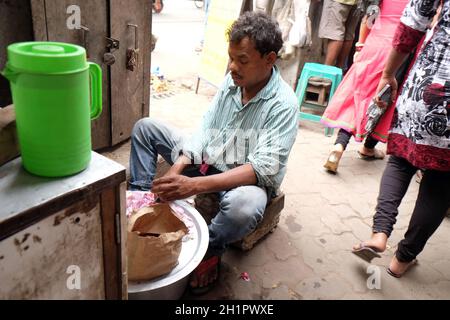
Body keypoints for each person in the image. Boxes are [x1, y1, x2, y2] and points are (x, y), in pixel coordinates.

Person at [129, 11, 298, 293]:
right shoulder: (232, 81)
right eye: (231, 57)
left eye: (242, 60)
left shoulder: (284, 105)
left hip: (244, 180)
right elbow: (206, 128)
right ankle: (140, 202)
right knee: (146, 128)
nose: (232, 66)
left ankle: (211, 248)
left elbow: (260, 170)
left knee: (244, 208)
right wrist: (177, 168)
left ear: (269, 59)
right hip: (208, 160)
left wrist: (192, 185)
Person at [352, 0, 450, 278]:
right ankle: (402, 260)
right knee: (441, 181)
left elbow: (412, 23)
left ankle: (379, 234)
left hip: (429, 84)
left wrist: (387, 73)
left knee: (400, 162)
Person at [321, 0, 410, 173]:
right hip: (398, 52)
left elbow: (369, 17)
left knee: (357, 96)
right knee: (383, 99)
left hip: (373, 45)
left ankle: (339, 145)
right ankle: (368, 147)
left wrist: (360, 46)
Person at [318, 0, 363, 68]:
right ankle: (339, 70)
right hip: (357, 3)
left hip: (339, 1)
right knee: (348, 35)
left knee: (334, 33)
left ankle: (327, 70)